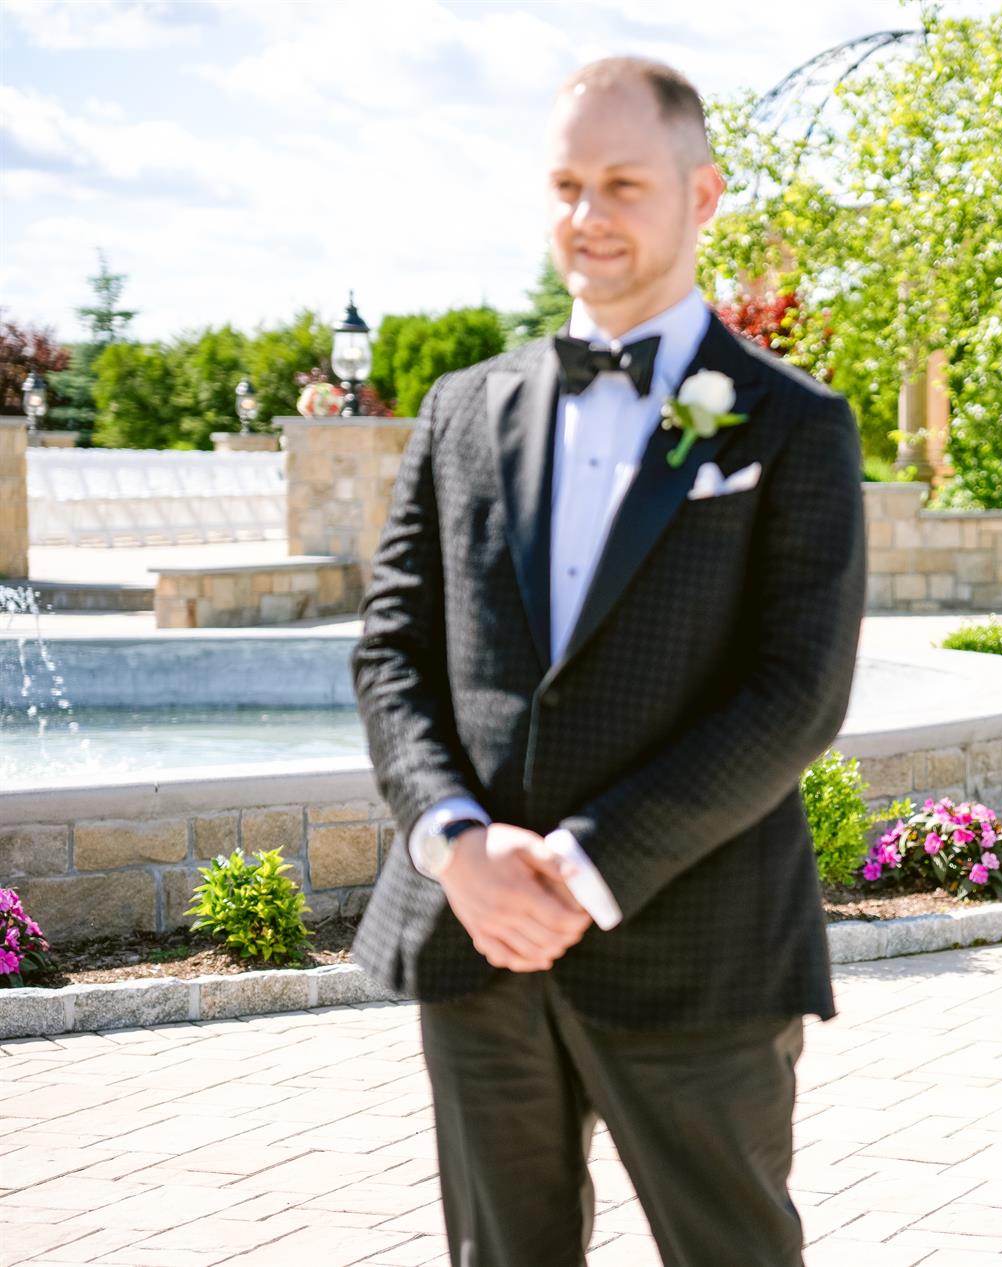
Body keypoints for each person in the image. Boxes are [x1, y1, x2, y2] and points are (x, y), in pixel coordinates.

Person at [349, 56, 865, 1266]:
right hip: (475, 941)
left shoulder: (793, 423)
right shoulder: (461, 408)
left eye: (623, 183)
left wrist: (584, 866)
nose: (588, 214)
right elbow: (392, 652)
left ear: (703, 195)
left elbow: (797, 693)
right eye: (566, 184)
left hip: (696, 946)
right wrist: (456, 842)